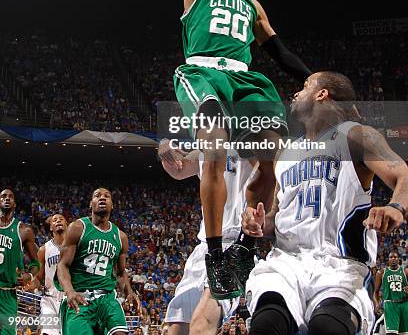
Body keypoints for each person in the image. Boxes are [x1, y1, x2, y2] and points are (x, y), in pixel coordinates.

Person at [138, 0, 312, 300]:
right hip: (203, 71)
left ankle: (247, 241)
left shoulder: (251, 4)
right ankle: (215, 252)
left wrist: (309, 77)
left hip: (246, 78)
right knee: (213, 143)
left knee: (273, 149)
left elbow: (277, 51)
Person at [242, 72, 408, 335]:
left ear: (322, 94)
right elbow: (276, 216)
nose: (297, 93)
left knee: (326, 327)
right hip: (287, 263)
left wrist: (395, 207)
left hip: (340, 264)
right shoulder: (284, 153)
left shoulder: (354, 136)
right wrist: (261, 223)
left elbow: (403, 174)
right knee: (267, 323)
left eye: (306, 86)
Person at [158, 139, 255, 335]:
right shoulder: (205, 148)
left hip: (234, 243)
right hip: (204, 247)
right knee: (176, 328)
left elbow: (270, 173)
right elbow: (178, 170)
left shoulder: (251, 139)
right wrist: (164, 148)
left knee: (202, 323)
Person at [56, 187, 138, 335]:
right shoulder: (78, 228)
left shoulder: (121, 237)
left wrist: (129, 292)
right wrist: (69, 292)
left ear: (112, 205)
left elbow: (120, 273)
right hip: (80, 298)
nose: (102, 198)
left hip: (106, 299)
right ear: (91, 203)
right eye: (97, 196)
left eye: (107, 196)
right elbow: (62, 265)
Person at [0, 189, 39, 335]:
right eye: (3, 196)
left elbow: (36, 263)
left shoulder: (24, 230)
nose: (7, 198)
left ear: (15, 204)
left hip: (8, 293)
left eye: (10, 196)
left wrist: (29, 276)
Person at [27, 214, 68, 335]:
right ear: (51, 227)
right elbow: (39, 277)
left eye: (61, 219)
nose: (58, 221)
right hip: (50, 299)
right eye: (54, 220)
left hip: (70, 299)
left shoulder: (76, 247)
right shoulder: (44, 249)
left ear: (67, 224)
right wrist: (30, 284)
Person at [374, 251, 408, 334]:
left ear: (398, 259)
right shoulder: (381, 272)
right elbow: (375, 292)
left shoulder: (405, 271)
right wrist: (377, 304)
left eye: (395, 257)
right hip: (390, 305)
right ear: (388, 260)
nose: (393, 259)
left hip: (404, 304)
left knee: (404, 333)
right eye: (391, 257)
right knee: (391, 333)